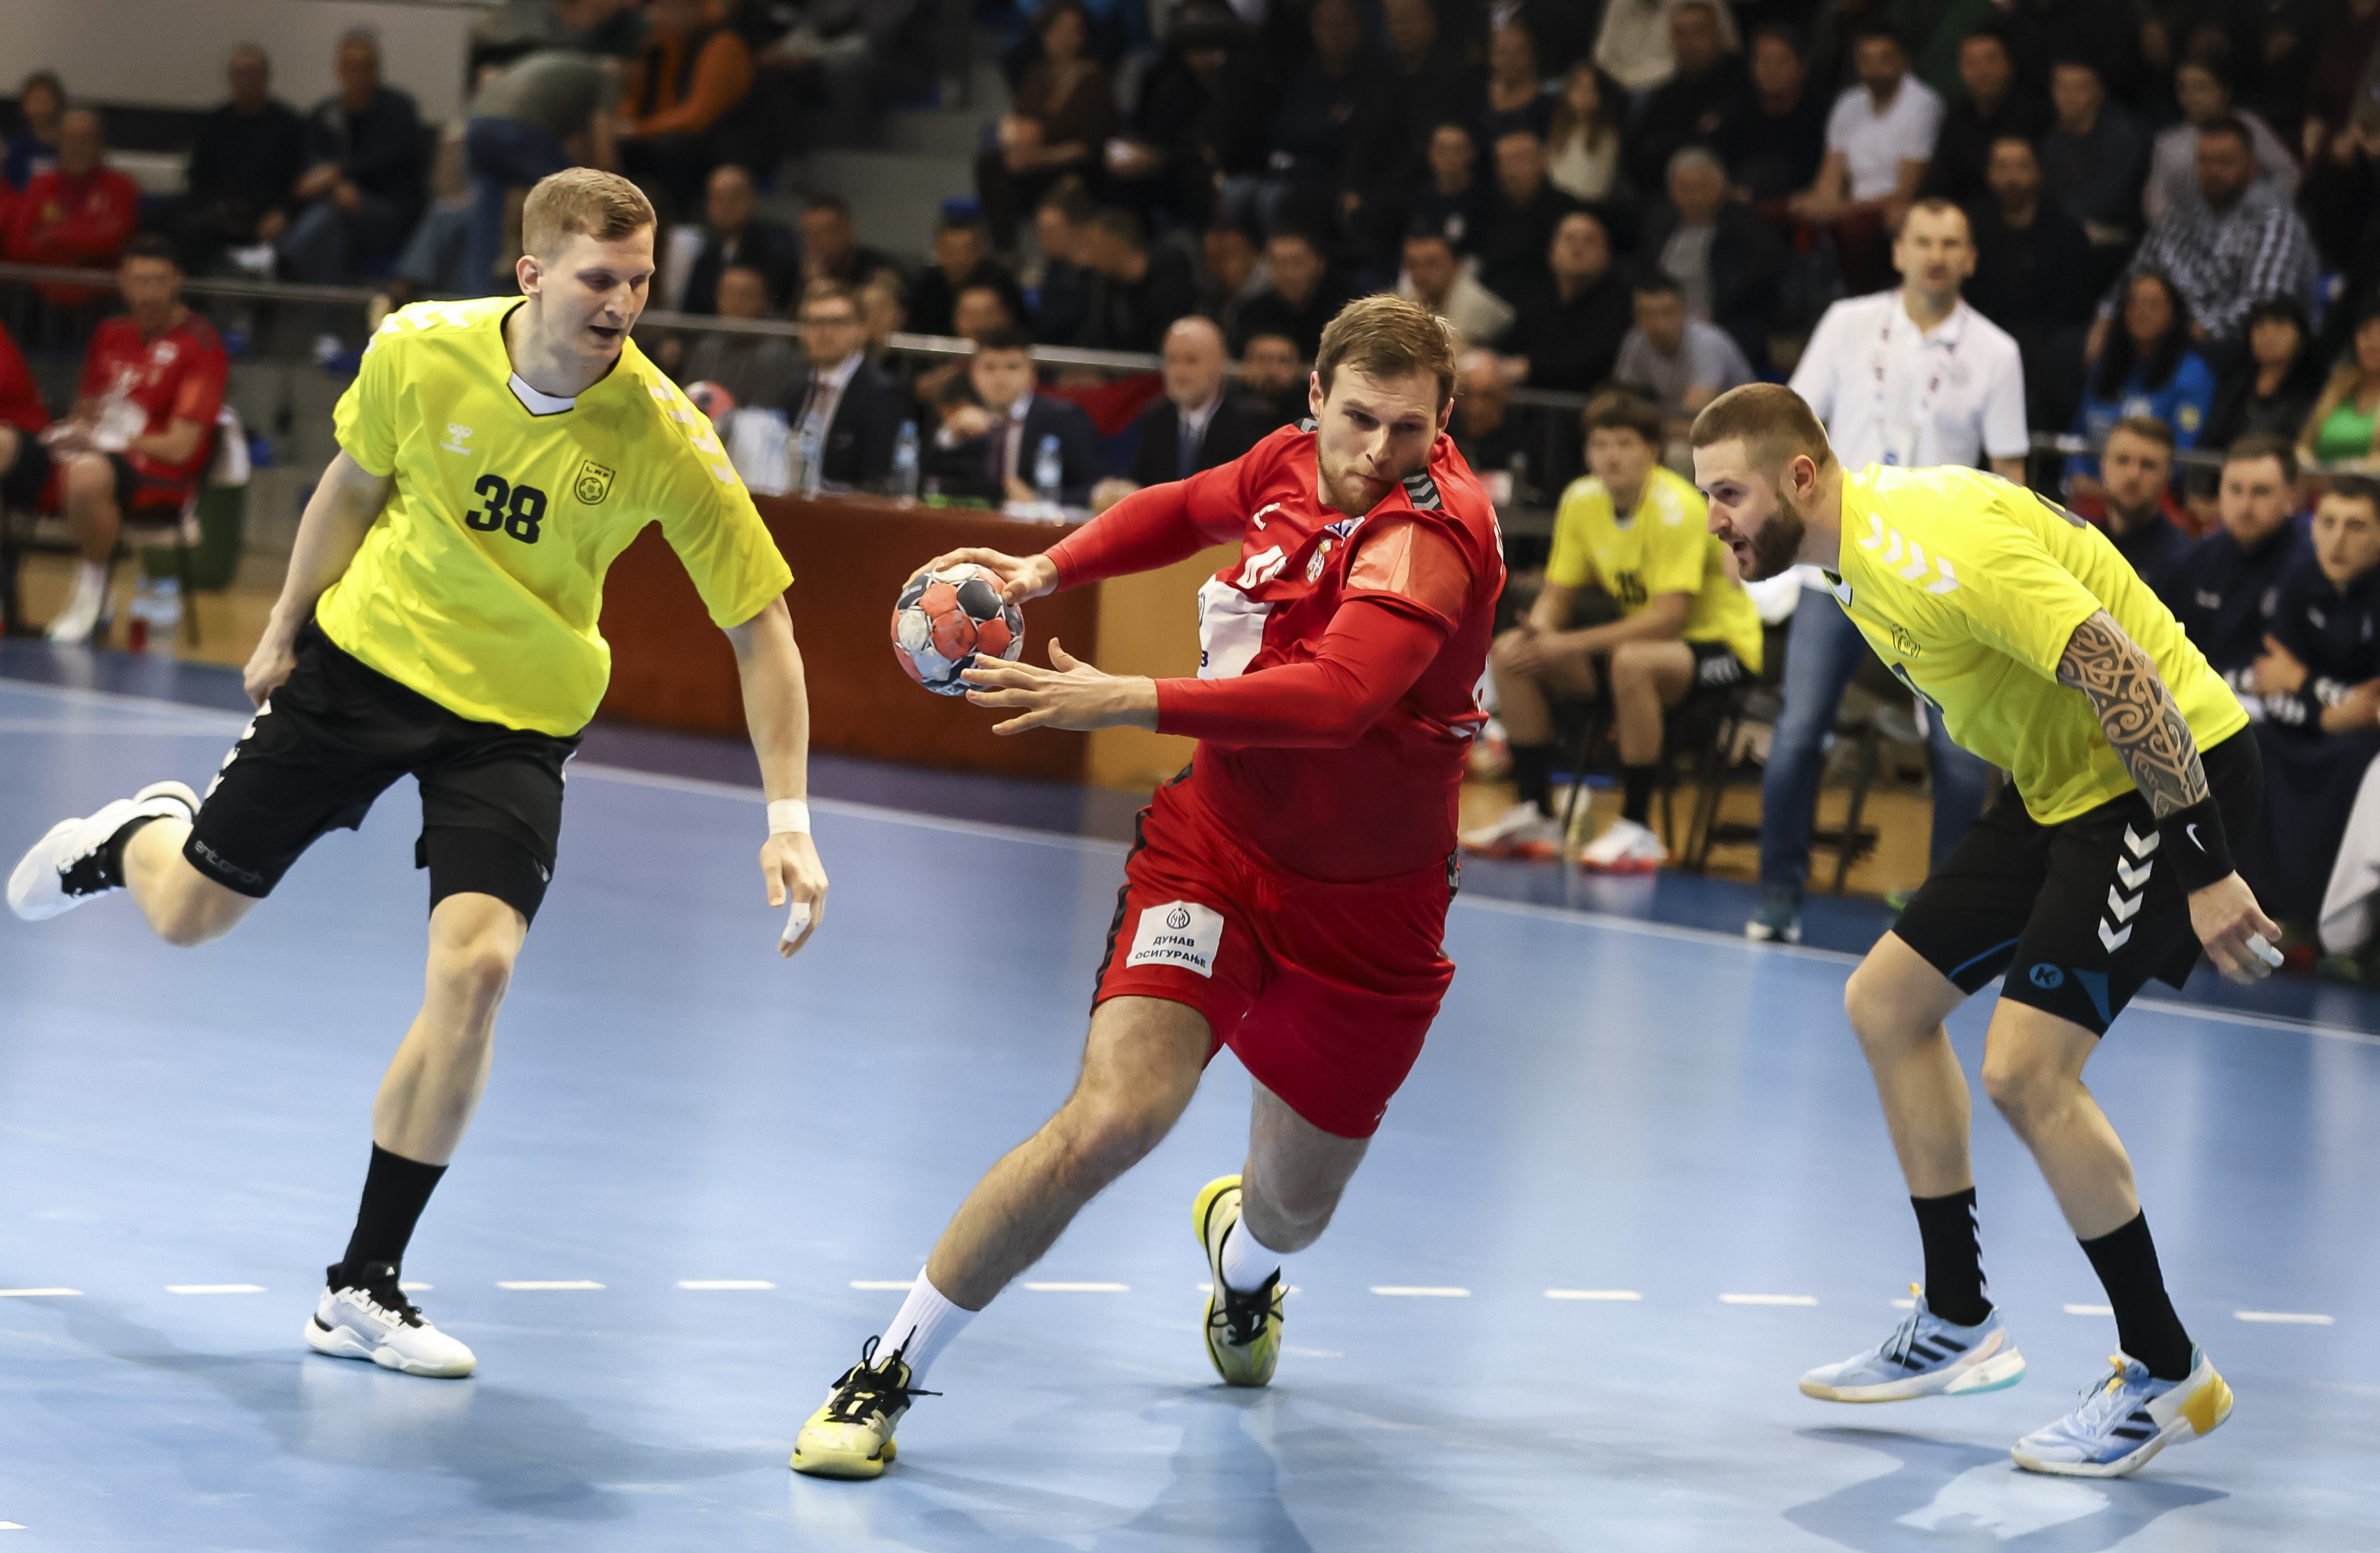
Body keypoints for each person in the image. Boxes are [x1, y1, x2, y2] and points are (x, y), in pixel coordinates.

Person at [6, 171, 829, 1386]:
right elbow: (350, 484)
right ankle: (133, 835)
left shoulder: (665, 439)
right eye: (600, 278)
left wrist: (789, 819)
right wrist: (285, 622)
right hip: (366, 663)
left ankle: (362, 1283)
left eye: (642, 280)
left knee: (479, 968)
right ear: (533, 273)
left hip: (514, 721)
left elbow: (762, 628)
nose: (624, 303)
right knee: (186, 916)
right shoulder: (418, 350)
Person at [786, 294, 1504, 1482]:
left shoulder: (1434, 534)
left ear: (1446, 425)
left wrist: (1121, 696)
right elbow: (1180, 507)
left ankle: (1244, 1262)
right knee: (1110, 1120)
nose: (1377, 454)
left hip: (1370, 919)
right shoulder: (1283, 462)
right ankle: (887, 1367)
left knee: (1293, 1208)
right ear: (1314, 397)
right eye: (1359, 420)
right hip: (1212, 856)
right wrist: (1045, 565)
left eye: (1410, 431)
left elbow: (1333, 702)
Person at [1693, 383, 2273, 1482]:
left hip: (2158, 779)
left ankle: (2164, 1371)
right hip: (2062, 790)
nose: (1714, 517)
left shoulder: (1922, 541)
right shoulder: (1850, 563)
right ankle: (1957, 1318)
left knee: (2025, 1071)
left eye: (1727, 493)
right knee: (1884, 1003)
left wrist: (2201, 865)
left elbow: (2116, 667)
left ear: (1800, 477)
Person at [1751, 198, 2027, 943]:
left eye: (1952, 242)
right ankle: (1778, 893)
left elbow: (2008, 476)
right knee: (1798, 732)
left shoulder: (1997, 352)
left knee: (1960, 753)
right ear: (1899, 251)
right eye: (1923, 241)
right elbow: (1788, 420)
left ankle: (1943, 922)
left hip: (1937, 584)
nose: (1936, 254)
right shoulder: (1847, 323)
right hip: (1831, 568)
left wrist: (2001, 585)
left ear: (1970, 258)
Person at [1464, 388, 1763, 866]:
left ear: (1652, 451)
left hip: (1720, 648)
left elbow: (1669, 619)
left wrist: (1565, 643)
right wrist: (1538, 635)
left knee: (1632, 663)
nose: (1611, 456)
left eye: (1624, 444)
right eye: (1600, 445)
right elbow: (1557, 595)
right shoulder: (1581, 501)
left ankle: (1638, 827)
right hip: (1638, 645)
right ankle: (1537, 811)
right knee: (1510, 654)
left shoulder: (1678, 507)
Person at [39, 238, 229, 645]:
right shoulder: (109, 334)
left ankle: (93, 598)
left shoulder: (201, 346)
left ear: (177, 281)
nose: (149, 292)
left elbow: (181, 447)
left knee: (87, 476)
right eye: (139, 281)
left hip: (157, 477)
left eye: (159, 281)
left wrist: (112, 440)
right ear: (122, 282)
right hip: (93, 457)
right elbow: (85, 411)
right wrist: (69, 431)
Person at [2240, 477, 2380, 925]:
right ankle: (2256, 908)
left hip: (2361, 743)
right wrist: (2328, 713)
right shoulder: (2300, 580)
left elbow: (2372, 708)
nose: (2338, 539)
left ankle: (2329, 926)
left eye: (2355, 526)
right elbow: (2269, 683)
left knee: (2354, 759)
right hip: (2308, 727)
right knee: (2254, 742)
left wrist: (2301, 681)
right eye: (2328, 523)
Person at [2096, 117, 2318, 357]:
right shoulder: (2187, 208)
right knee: (2075, 350)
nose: (2213, 171)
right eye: (2205, 161)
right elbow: (2139, 270)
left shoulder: (2275, 219)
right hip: (2169, 335)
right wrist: (2105, 319)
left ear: (2252, 165)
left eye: (2225, 162)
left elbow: (2263, 306)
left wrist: (2186, 329)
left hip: (2234, 346)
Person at [1789, 23, 1943, 295]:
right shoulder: (1849, 103)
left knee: (1857, 227)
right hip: (1850, 207)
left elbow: (1906, 192)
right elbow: (1830, 176)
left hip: (1890, 211)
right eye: (1866, 61)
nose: (1874, 70)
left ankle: (1862, 298)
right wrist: (1818, 204)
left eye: (1884, 60)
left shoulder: (1922, 103)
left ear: (1904, 61)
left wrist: (1842, 210)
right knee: (1791, 211)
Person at [1962, 134, 2097, 433]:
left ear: (2039, 173)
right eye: (2003, 167)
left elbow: (2074, 308)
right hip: (1980, 337)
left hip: (2046, 347)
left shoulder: (2066, 233)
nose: (2012, 178)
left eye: (2021, 167)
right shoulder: (1972, 228)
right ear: (1989, 175)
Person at [463, 46, 623, 296]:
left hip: (477, 125)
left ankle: (477, 292)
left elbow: (576, 143)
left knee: (487, 215)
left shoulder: (562, 67)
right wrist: (616, 188)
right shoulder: (607, 77)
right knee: (579, 197)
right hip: (521, 128)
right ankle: (576, 285)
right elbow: (603, 142)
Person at [284, 32, 428, 304]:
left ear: (376, 69)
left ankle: (281, 258)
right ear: (339, 70)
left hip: (391, 215)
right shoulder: (325, 114)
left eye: (365, 67)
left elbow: (388, 161)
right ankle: (329, 336)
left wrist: (339, 177)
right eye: (350, 67)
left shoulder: (398, 111)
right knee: (334, 237)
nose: (357, 75)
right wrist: (338, 185)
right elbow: (310, 175)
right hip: (341, 216)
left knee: (333, 213)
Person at [2162, 435, 2309, 693]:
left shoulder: (2315, 566)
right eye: (2235, 489)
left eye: (2261, 492)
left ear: (2292, 498)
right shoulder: (2191, 563)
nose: (2245, 506)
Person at [975, 0, 1116, 251]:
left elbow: (1092, 146)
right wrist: (1014, 140)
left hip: (1075, 165)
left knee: (1070, 182)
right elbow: (1021, 118)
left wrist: (1041, 157)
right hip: (1035, 164)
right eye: (1055, 30)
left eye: (1070, 31)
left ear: (1083, 35)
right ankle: (1005, 251)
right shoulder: (1036, 74)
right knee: (990, 164)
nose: (1061, 38)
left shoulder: (1096, 80)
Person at [1094, 316, 1274, 505]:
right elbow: (1140, 481)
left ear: (1221, 363)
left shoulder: (1250, 423)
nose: (1179, 372)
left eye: (1191, 361)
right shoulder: (1154, 419)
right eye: (1172, 360)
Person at [920, 325, 1104, 506]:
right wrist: (950, 437)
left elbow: (1097, 491)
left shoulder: (1065, 418)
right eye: (990, 368)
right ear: (973, 375)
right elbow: (926, 486)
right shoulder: (962, 420)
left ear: (1032, 374)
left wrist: (1039, 502)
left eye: (1012, 367)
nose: (1000, 378)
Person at [2068, 272, 2214, 497]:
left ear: (2174, 315)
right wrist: (2075, 476)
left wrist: (2121, 489)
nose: (2141, 312)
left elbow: (2184, 455)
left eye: (2153, 304)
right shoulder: (2105, 366)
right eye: (2132, 303)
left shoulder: (2193, 374)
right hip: (2090, 495)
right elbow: (2078, 433)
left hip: (2154, 500)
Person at [1641, 146, 1782, 370]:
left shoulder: (1748, 229)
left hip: (1723, 328)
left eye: (1703, 187)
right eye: (1685, 188)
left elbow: (1753, 283)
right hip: (1663, 327)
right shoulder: (1660, 228)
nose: (1695, 196)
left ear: (1723, 187)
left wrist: (1709, 316)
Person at [616, 0, 758, 215]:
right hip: (662, 138)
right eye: (661, 7)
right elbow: (637, 103)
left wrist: (637, 130)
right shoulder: (660, 45)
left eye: (677, 6)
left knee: (671, 147)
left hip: (717, 147)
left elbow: (699, 116)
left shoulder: (723, 44)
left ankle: (676, 221)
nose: (666, 14)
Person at [178, 45, 308, 277]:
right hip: (220, 213)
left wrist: (284, 213)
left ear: (266, 77)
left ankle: (262, 311)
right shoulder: (214, 124)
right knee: (185, 231)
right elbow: (198, 177)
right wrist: (217, 208)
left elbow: (300, 182)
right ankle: (194, 306)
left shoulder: (289, 126)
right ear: (230, 78)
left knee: (284, 246)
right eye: (240, 74)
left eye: (253, 73)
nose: (246, 80)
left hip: (270, 217)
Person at [2, 107, 142, 308]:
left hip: (100, 299)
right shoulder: (41, 184)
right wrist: (80, 242)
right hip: (40, 298)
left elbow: (111, 241)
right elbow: (19, 244)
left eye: (85, 139)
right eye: (70, 139)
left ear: (100, 145)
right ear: (60, 144)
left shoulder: (121, 186)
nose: (77, 147)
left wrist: (51, 236)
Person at [781, 279, 909, 490]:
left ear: (862, 329)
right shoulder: (796, 389)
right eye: (815, 323)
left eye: (838, 323)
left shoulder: (882, 393)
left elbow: (877, 480)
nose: (825, 332)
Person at [2143, 54, 2296, 228]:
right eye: (2184, 88)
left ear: (2223, 90)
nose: (2191, 97)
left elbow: (2288, 173)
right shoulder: (2168, 143)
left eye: (2201, 88)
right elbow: (2156, 199)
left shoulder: (2249, 126)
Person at [1496, 210, 1633, 393]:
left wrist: (1530, 368)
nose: (1578, 249)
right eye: (1569, 239)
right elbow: (1509, 346)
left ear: (1607, 256)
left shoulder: (1619, 307)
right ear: (1551, 254)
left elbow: (1594, 364)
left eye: (1590, 241)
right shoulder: (1538, 298)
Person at [1625, 0, 1747, 198]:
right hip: (1670, 198)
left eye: (1699, 32)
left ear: (1718, 35)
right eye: (1680, 34)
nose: (1689, 43)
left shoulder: (1743, 83)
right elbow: (1637, 158)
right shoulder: (1667, 94)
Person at [1918, 29, 2049, 210]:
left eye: (1991, 60)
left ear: (2009, 65)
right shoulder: (1957, 112)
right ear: (1961, 70)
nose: (1982, 72)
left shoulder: (2036, 115)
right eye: (1972, 63)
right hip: (1960, 219)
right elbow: (1940, 179)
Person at [2038, 58, 2146, 259]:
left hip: (2117, 235)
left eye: (2078, 89)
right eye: (2061, 88)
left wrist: (2058, 220)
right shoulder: (2053, 142)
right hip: (2068, 229)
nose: (2068, 97)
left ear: (2099, 94)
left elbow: (2108, 200)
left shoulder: (2122, 138)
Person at [1613, 272, 1754, 426]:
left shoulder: (1708, 342)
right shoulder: (1636, 340)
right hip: (1676, 427)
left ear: (1684, 311)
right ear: (1636, 317)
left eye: (1668, 313)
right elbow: (1622, 402)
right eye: (1648, 314)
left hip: (1737, 426)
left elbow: (1691, 418)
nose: (1660, 324)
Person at [1717, 24, 1829, 206]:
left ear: (1802, 67)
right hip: (1735, 207)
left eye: (1782, 61)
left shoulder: (1819, 116)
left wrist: (1759, 195)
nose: (1772, 70)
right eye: (1765, 61)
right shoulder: (1738, 112)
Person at [2202, 296, 2322, 459]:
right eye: (2260, 326)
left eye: (2280, 324)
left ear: (2302, 336)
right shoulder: (2234, 383)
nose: (2268, 333)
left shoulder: (2315, 391)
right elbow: (2209, 442)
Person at [679, 163, 801, 317]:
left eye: (735, 196)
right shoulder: (708, 255)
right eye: (719, 198)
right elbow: (691, 311)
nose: (727, 205)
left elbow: (785, 298)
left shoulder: (777, 243)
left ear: (753, 199)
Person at [1072, 208, 1199, 354]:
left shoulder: (1171, 273)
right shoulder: (1106, 283)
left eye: (1093, 245)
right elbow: (1094, 335)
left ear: (1116, 243)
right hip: (1122, 372)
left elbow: (1167, 340)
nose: (1089, 258)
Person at [1477, 129, 1580, 305]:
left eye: (1520, 160)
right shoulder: (1491, 210)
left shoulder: (1566, 209)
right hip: (1493, 304)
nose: (1511, 171)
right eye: (1504, 162)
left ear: (1543, 162)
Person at [681, 264, 803, 409]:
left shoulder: (777, 354)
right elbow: (688, 396)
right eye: (728, 294)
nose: (735, 302)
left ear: (765, 302)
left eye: (746, 295)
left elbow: (766, 411)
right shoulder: (706, 347)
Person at [2092, 415, 2191, 590]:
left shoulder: (2184, 561)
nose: (2133, 475)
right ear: (2103, 465)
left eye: (2148, 465)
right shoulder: (2080, 544)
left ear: (2168, 475)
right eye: (2123, 460)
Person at [1231, 229, 1346, 363]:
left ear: (1320, 264)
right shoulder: (1251, 313)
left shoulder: (1344, 312)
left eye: (1297, 263)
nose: (1289, 273)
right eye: (1280, 263)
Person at [906, 217, 1026, 341]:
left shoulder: (999, 280)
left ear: (980, 251)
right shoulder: (926, 283)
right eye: (951, 251)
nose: (958, 259)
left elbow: (1020, 326)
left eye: (965, 251)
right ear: (938, 250)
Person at [1397, 228, 1513, 348]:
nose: (1421, 273)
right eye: (1413, 264)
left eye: (1432, 263)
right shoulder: (1415, 297)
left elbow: (1450, 360)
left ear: (1455, 264)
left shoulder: (1472, 304)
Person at [2299, 300, 2380, 465]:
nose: (2374, 342)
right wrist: (2306, 462)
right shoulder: (2339, 384)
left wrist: (2355, 468)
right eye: (2366, 332)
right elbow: (2304, 444)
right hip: (2319, 485)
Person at [1545, 62, 1626, 205]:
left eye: (1591, 89)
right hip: (1554, 206)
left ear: (1601, 96)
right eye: (1578, 87)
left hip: (1587, 207)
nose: (1583, 95)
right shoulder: (1555, 130)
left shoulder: (1608, 137)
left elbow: (1597, 188)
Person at [1410, 123, 1493, 255]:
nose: (1449, 157)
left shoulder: (1487, 201)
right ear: (1430, 154)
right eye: (1442, 150)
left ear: (1472, 153)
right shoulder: (1418, 198)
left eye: (1458, 151)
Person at [799, 193, 899, 290]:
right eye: (811, 234)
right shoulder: (806, 274)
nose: (820, 242)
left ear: (847, 228)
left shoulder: (880, 269)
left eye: (827, 231)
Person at [2, 70, 64, 192]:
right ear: (24, 106)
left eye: (46, 101)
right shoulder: (14, 147)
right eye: (35, 101)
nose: (41, 108)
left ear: (59, 104)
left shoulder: (70, 145)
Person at [1239, 332, 1309, 428]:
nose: (1273, 370)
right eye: (1263, 359)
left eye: (1283, 361)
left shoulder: (1311, 417)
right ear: (1246, 365)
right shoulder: (1226, 416)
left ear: (1297, 367)